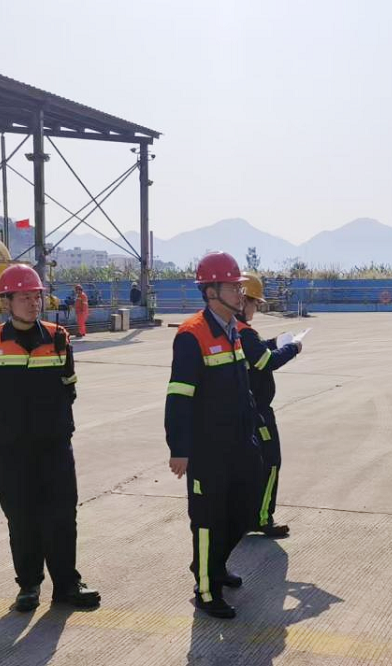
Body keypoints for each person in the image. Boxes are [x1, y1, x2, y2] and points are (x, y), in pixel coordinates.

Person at [0, 264, 100, 613]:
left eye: (36, 296)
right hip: (12, 451)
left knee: (62, 515)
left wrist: (56, 425)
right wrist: (3, 432)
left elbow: (69, 387)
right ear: (6, 301)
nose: (32, 303)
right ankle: (28, 586)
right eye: (24, 297)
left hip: (55, 447)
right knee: (21, 517)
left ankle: (67, 585)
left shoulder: (58, 338)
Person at [164, 251, 261, 619]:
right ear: (210, 292)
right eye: (233, 287)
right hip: (208, 450)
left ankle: (215, 565)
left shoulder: (233, 330)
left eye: (239, 287)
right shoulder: (192, 335)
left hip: (239, 443)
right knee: (207, 519)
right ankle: (206, 589)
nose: (240, 293)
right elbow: (179, 396)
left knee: (243, 511)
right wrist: (179, 448)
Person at [236, 272, 302, 538]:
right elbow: (266, 362)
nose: (256, 308)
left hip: (241, 409)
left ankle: (241, 517)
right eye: (255, 303)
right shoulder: (244, 332)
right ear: (243, 301)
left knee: (246, 466)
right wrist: (293, 348)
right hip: (257, 412)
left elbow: (258, 350)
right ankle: (262, 518)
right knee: (271, 462)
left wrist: (274, 343)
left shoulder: (232, 330)